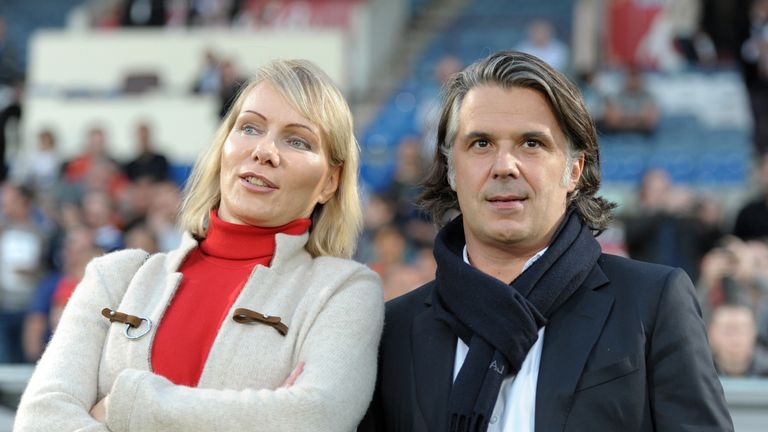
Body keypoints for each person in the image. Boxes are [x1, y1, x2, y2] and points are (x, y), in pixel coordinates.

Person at [360, 51, 732, 431]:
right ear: (452, 170)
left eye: (531, 143)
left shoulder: (651, 304)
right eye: (481, 143)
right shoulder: (394, 331)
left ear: (574, 170)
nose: (505, 166)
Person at [16, 59, 384, 431]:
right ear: (224, 145)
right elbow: (39, 420)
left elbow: (313, 416)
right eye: (250, 127)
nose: (264, 151)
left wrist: (128, 406)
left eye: (297, 141)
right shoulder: (113, 278)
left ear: (330, 182)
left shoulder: (342, 291)